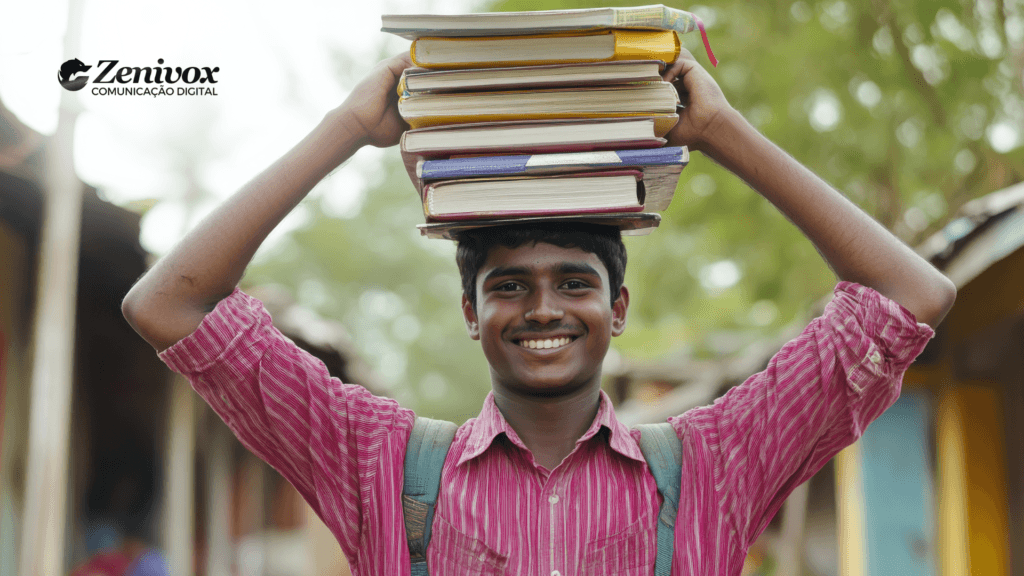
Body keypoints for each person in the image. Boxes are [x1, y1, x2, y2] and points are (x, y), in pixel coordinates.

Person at [121, 48, 956, 575]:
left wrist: (723, 132)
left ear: (618, 307)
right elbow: (168, 304)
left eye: (574, 282)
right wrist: (348, 128)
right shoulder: (378, 464)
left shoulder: (715, 465)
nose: (543, 308)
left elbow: (912, 297)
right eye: (509, 285)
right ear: (468, 311)